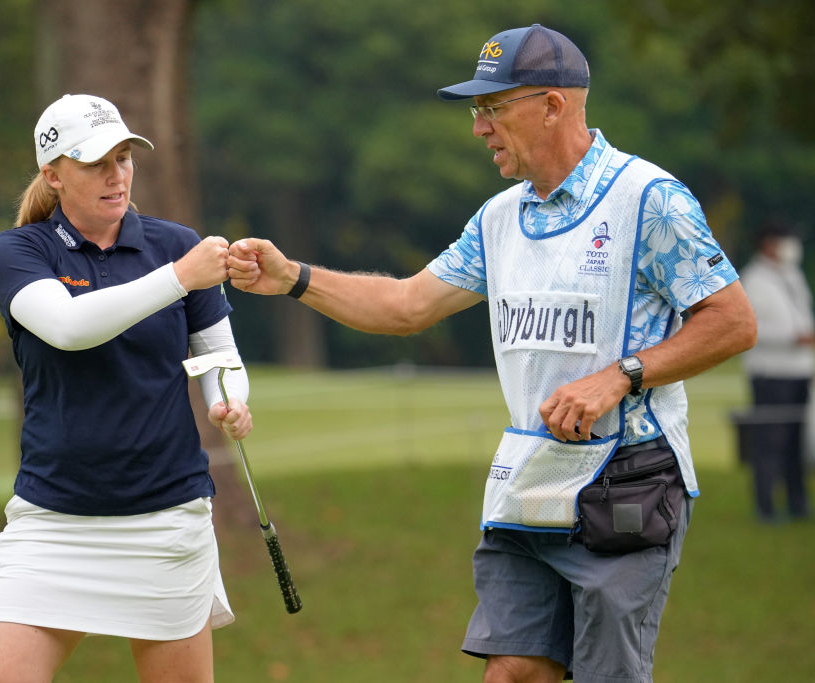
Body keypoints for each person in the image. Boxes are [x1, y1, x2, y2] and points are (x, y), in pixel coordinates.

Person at [229, 24, 755, 683]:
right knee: (511, 671)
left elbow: (732, 321)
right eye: (478, 110)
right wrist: (293, 278)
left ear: (553, 105)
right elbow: (407, 305)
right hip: (531, 480)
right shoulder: (500, 218)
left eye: (493, 108)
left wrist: (620, 377)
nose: (479, 127)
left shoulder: (649, 200)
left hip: (631, 483)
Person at [0, 93, 249, 683]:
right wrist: (179, 278)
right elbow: (70, 328)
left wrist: (229, 399)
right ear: (53, 174)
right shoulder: (22, 251)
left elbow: (218, 354)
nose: (116, 174)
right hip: (52, 522)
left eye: (124, 158)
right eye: (96, 161)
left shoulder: (176, 243)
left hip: (165, 518)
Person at [739, 218, 813, 522]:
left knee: (797, 442)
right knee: (770, 443)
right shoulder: (753, 279)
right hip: (771, 372)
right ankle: (766, 506)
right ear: (768, 243)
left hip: (799, 371)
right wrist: (792, 338)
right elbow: (749, 329)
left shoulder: (791, 275)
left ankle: (798, 503)